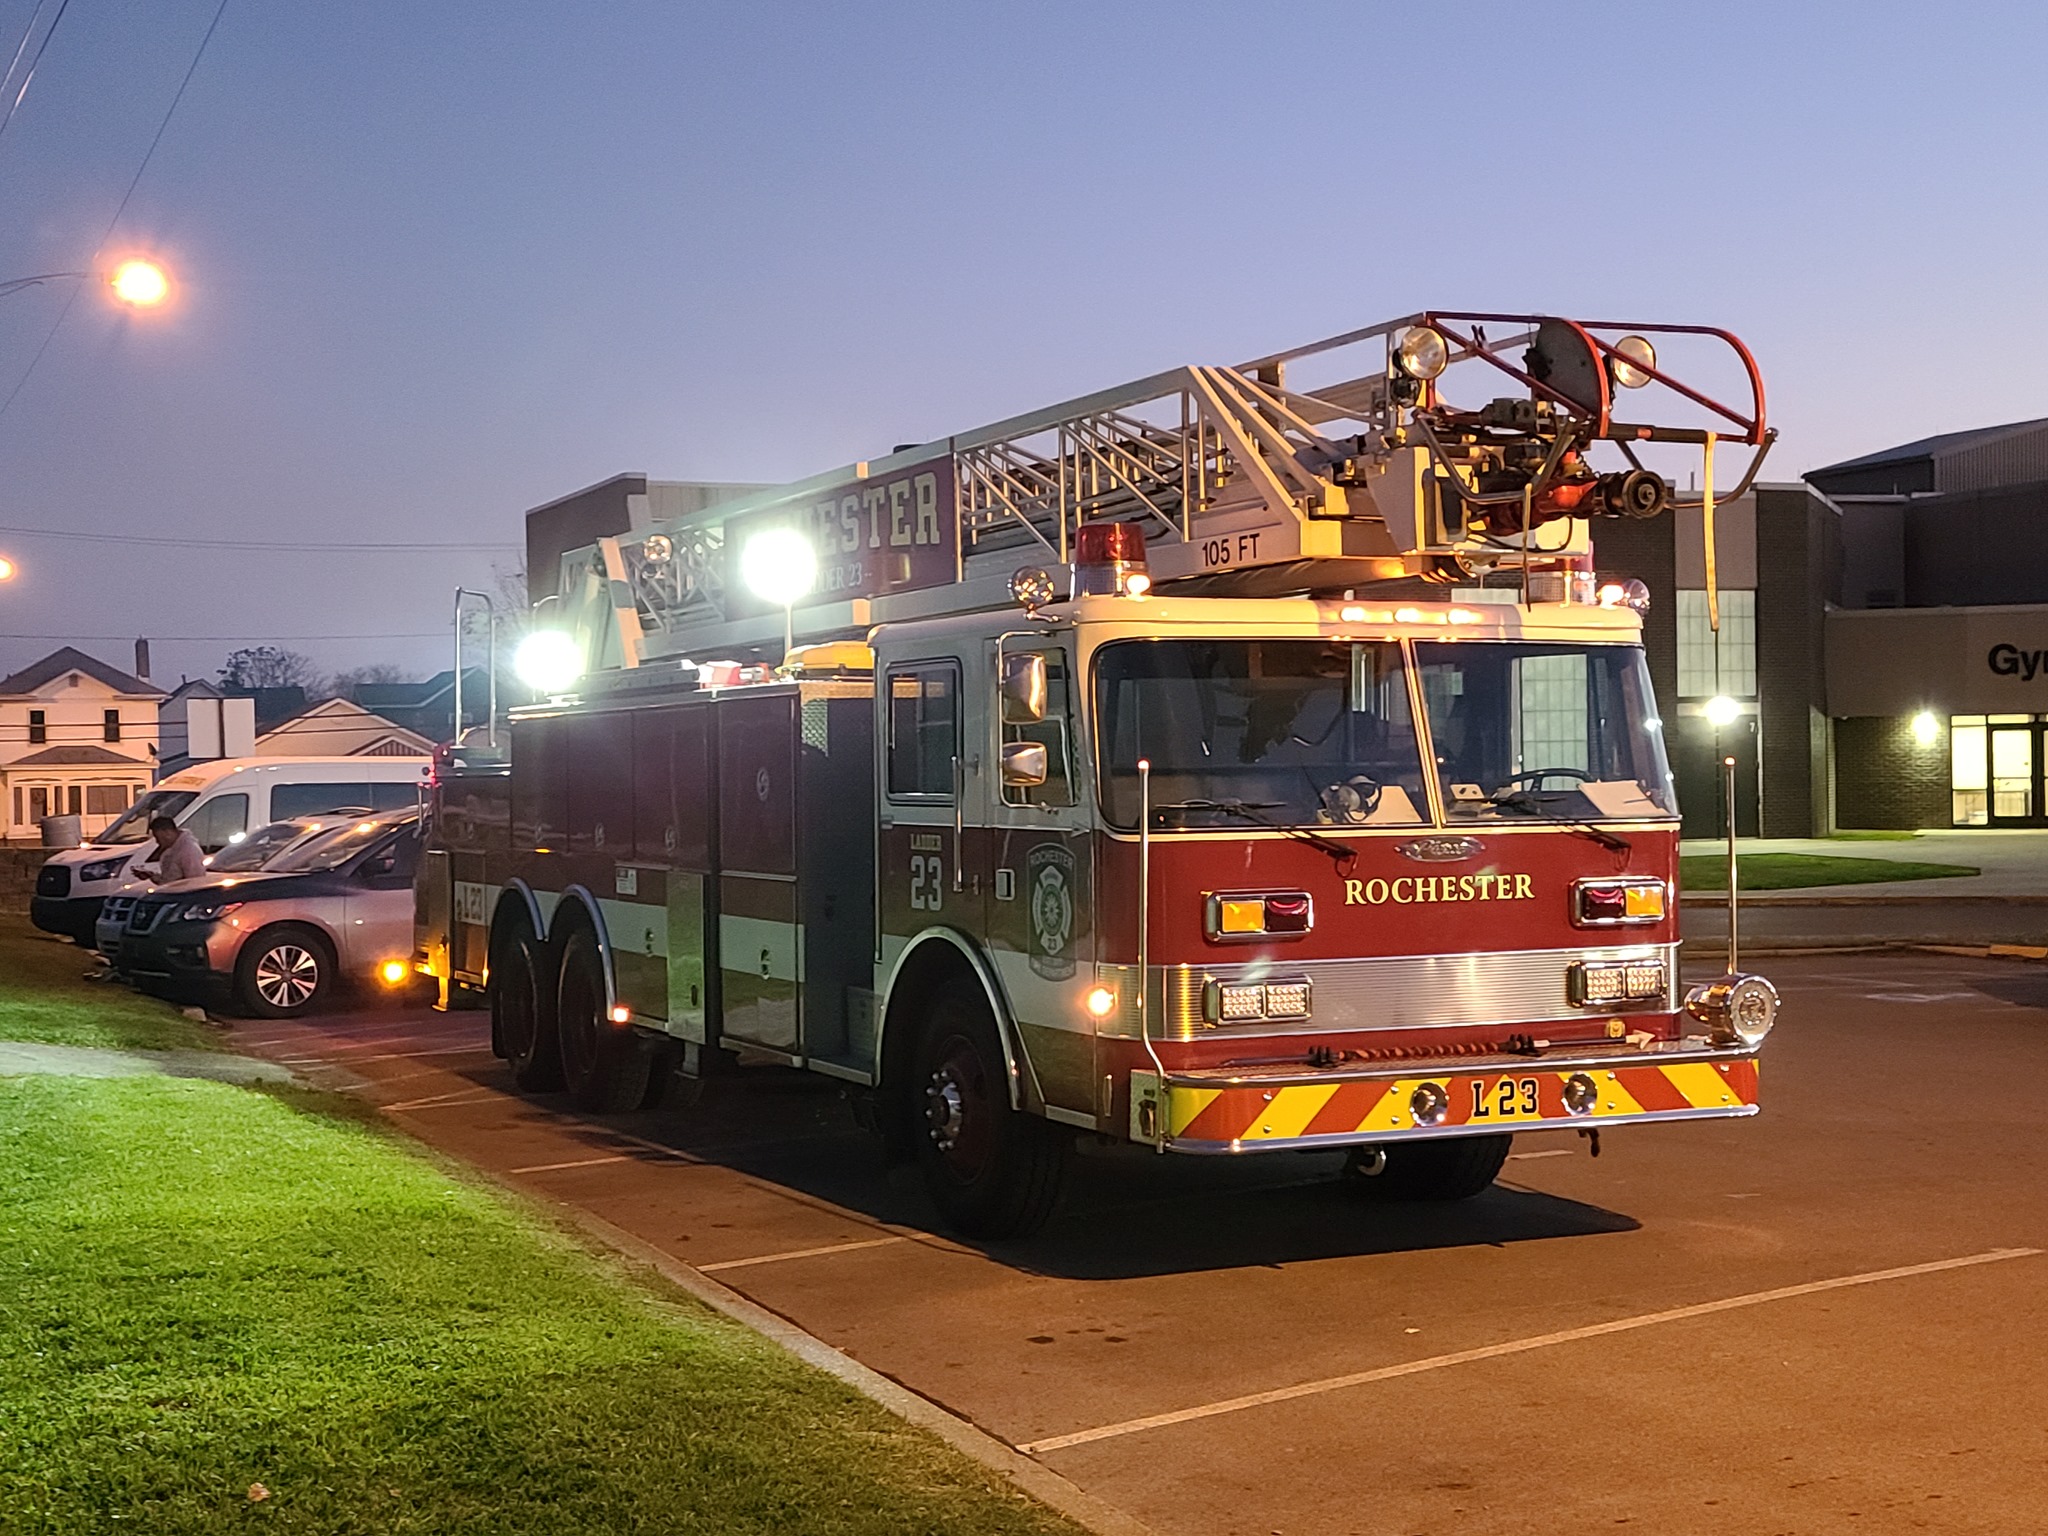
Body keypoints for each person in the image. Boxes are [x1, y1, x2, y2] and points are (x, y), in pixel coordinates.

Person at [138, 816, 207, 884]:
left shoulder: (189, 850)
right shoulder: (172, 849)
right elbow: (171, 878)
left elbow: (195, 882)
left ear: (167, 833)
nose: (157, 842)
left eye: (158, 838)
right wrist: (152, 876)